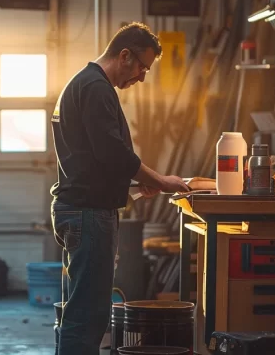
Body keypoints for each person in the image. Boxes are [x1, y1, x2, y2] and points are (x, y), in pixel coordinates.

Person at [51, 22, 190, 355]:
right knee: (87, 317)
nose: (142, 77)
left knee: (78, 312)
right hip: (88, 215)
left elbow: (91, 159)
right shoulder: (96, 88)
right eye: (142, 66)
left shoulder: (83, 84)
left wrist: (135, 186)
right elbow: (111, 152)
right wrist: (160, 180)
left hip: (80, 209)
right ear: (124, 55)